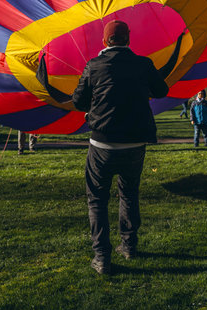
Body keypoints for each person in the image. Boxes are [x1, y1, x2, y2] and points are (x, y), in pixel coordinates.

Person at [72, 20, 169, 275]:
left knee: (97, 200)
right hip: (135, 144)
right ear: (129, 40)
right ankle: (128, 246)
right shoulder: (143, 64)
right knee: (128, 194)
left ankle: (102, 257)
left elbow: (78, 102)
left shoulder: (94, 65)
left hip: (102, 144)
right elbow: (161, 90)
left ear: (105, 42)